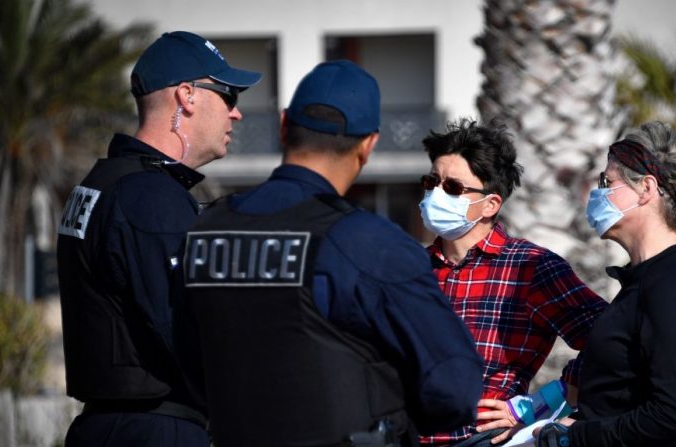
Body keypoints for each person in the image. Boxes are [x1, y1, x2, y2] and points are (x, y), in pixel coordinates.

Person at [181, 60, 484, 447]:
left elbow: (185, 357)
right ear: (369, 145)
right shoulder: (367, 242)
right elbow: (453, 387)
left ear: (284, 125)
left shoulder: (206, 228)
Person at [56, 31, 262, 446]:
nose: (236, 114)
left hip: (114, 425)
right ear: (186, 96)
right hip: (155, 429)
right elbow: (191, 333)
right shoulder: (149, 196)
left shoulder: (105, 183)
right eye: (228, 96)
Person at [535, 121, 676, 446]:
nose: (597, 192)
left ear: (647, 189)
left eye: (607, 182)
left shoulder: (671, 287)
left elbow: (675, 415)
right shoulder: (648, 277)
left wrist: (577, 437)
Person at [416, 119, 608, 447]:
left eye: (452, 188)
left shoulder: (530, 268)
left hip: (480, 440)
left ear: (491, 204)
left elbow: (613, 343)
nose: (436, 193)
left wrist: (543, 401)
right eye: (431, 181)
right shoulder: (411, 267)